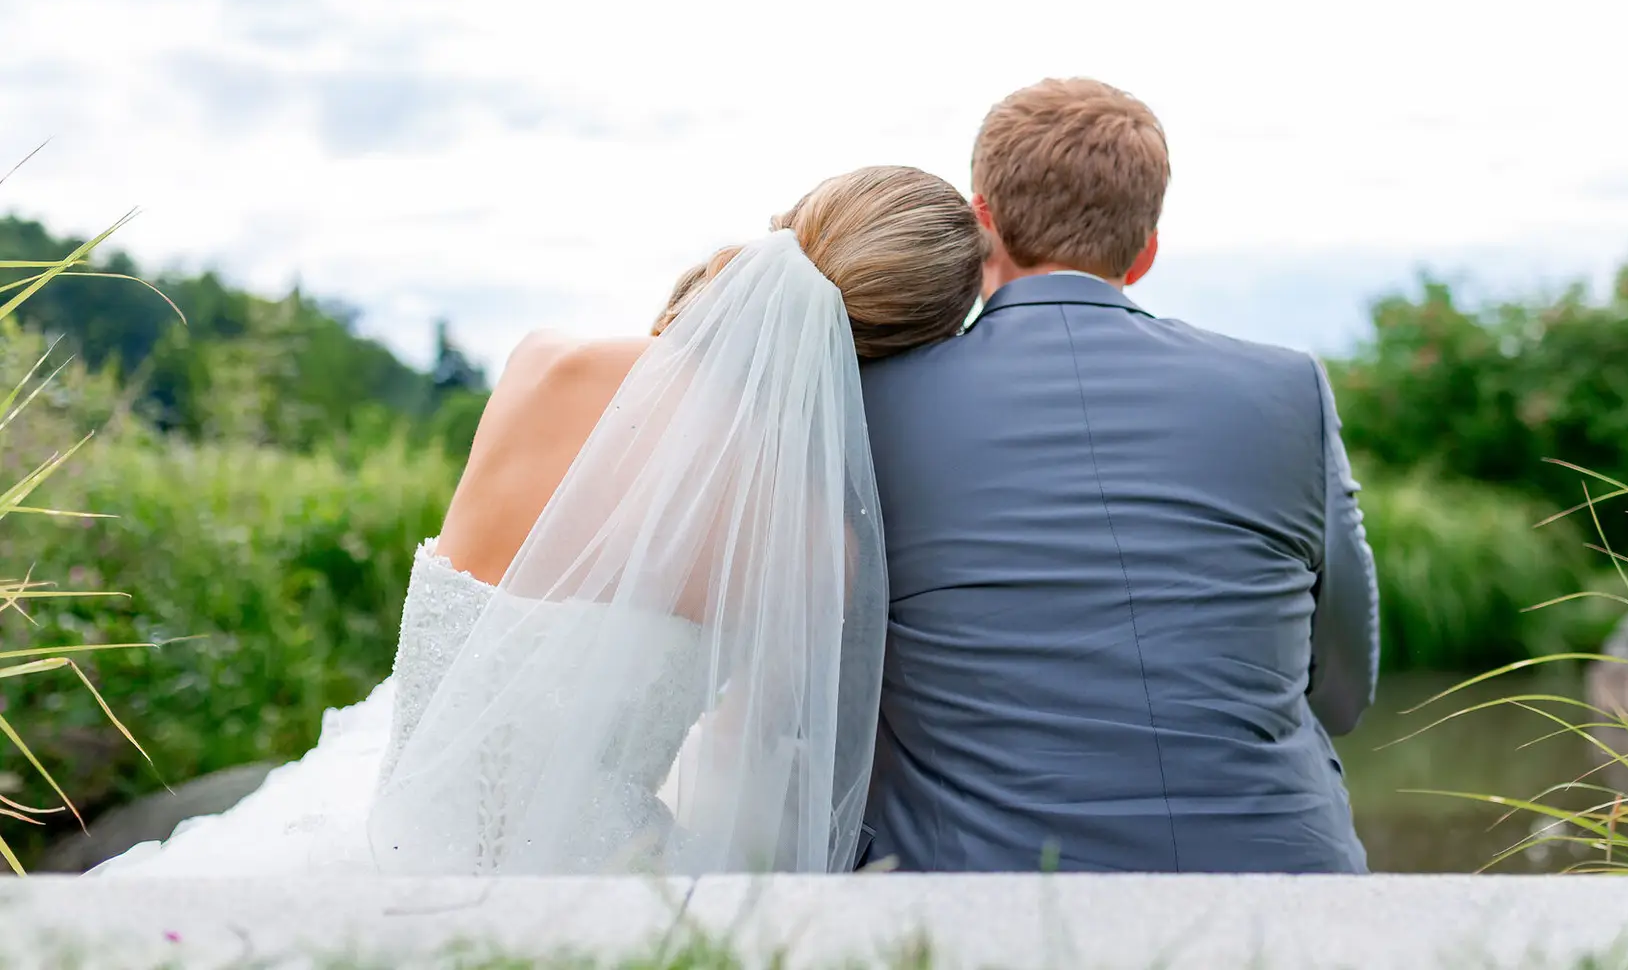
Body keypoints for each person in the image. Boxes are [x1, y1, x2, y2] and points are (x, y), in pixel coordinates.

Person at [91, 165, 988, 877]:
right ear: (890, 359)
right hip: (596, 890)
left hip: (387, 842)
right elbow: (754, 772)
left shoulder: (543, 362)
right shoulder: (810, 544)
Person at [857, 78, 1378, 873]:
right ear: (1147, 248)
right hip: (1280, 885)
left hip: (979, 891)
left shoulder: (875, 400)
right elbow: (1343, 695)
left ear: (981, 219)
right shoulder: (1287, 389)